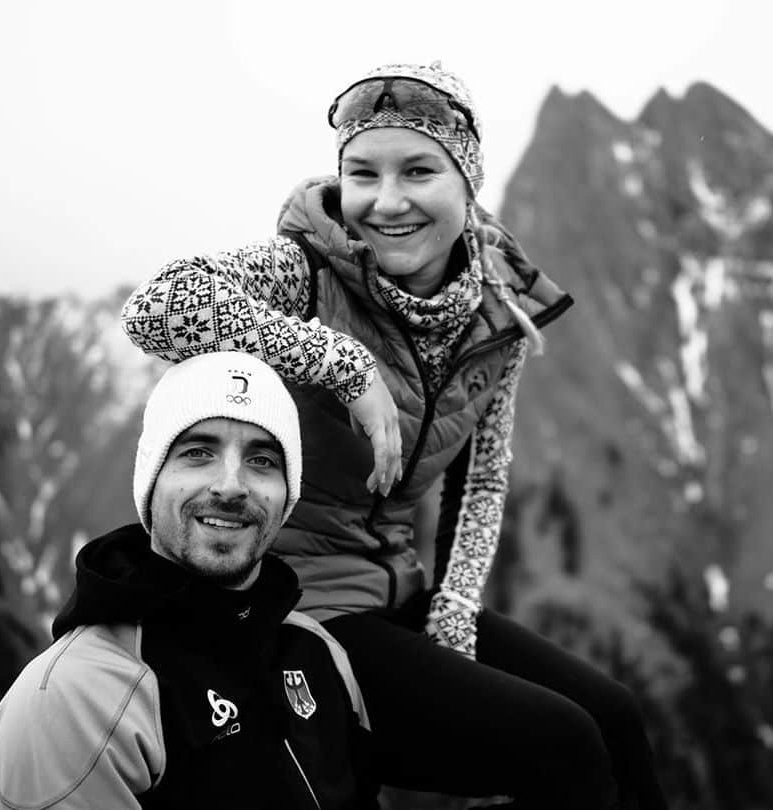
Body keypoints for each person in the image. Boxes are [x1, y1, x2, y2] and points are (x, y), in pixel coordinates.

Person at [120, 62, 667, 809]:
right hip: (297, 607)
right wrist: (339, 362)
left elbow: (482, 478)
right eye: (361, 172)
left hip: (399, 593)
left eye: (418, 170)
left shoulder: (498, 313)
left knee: (614, 719)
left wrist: (452, 615)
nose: (386, 201)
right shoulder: (305, 272)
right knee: (562, 745)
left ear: (467, 184)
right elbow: (157, 304)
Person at [0, 351, 378, 810]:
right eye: (198, 453)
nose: (231, 485)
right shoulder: (74, 700)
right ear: (152, 477)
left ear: (288, 493)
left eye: (263, 460)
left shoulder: (319, 652)